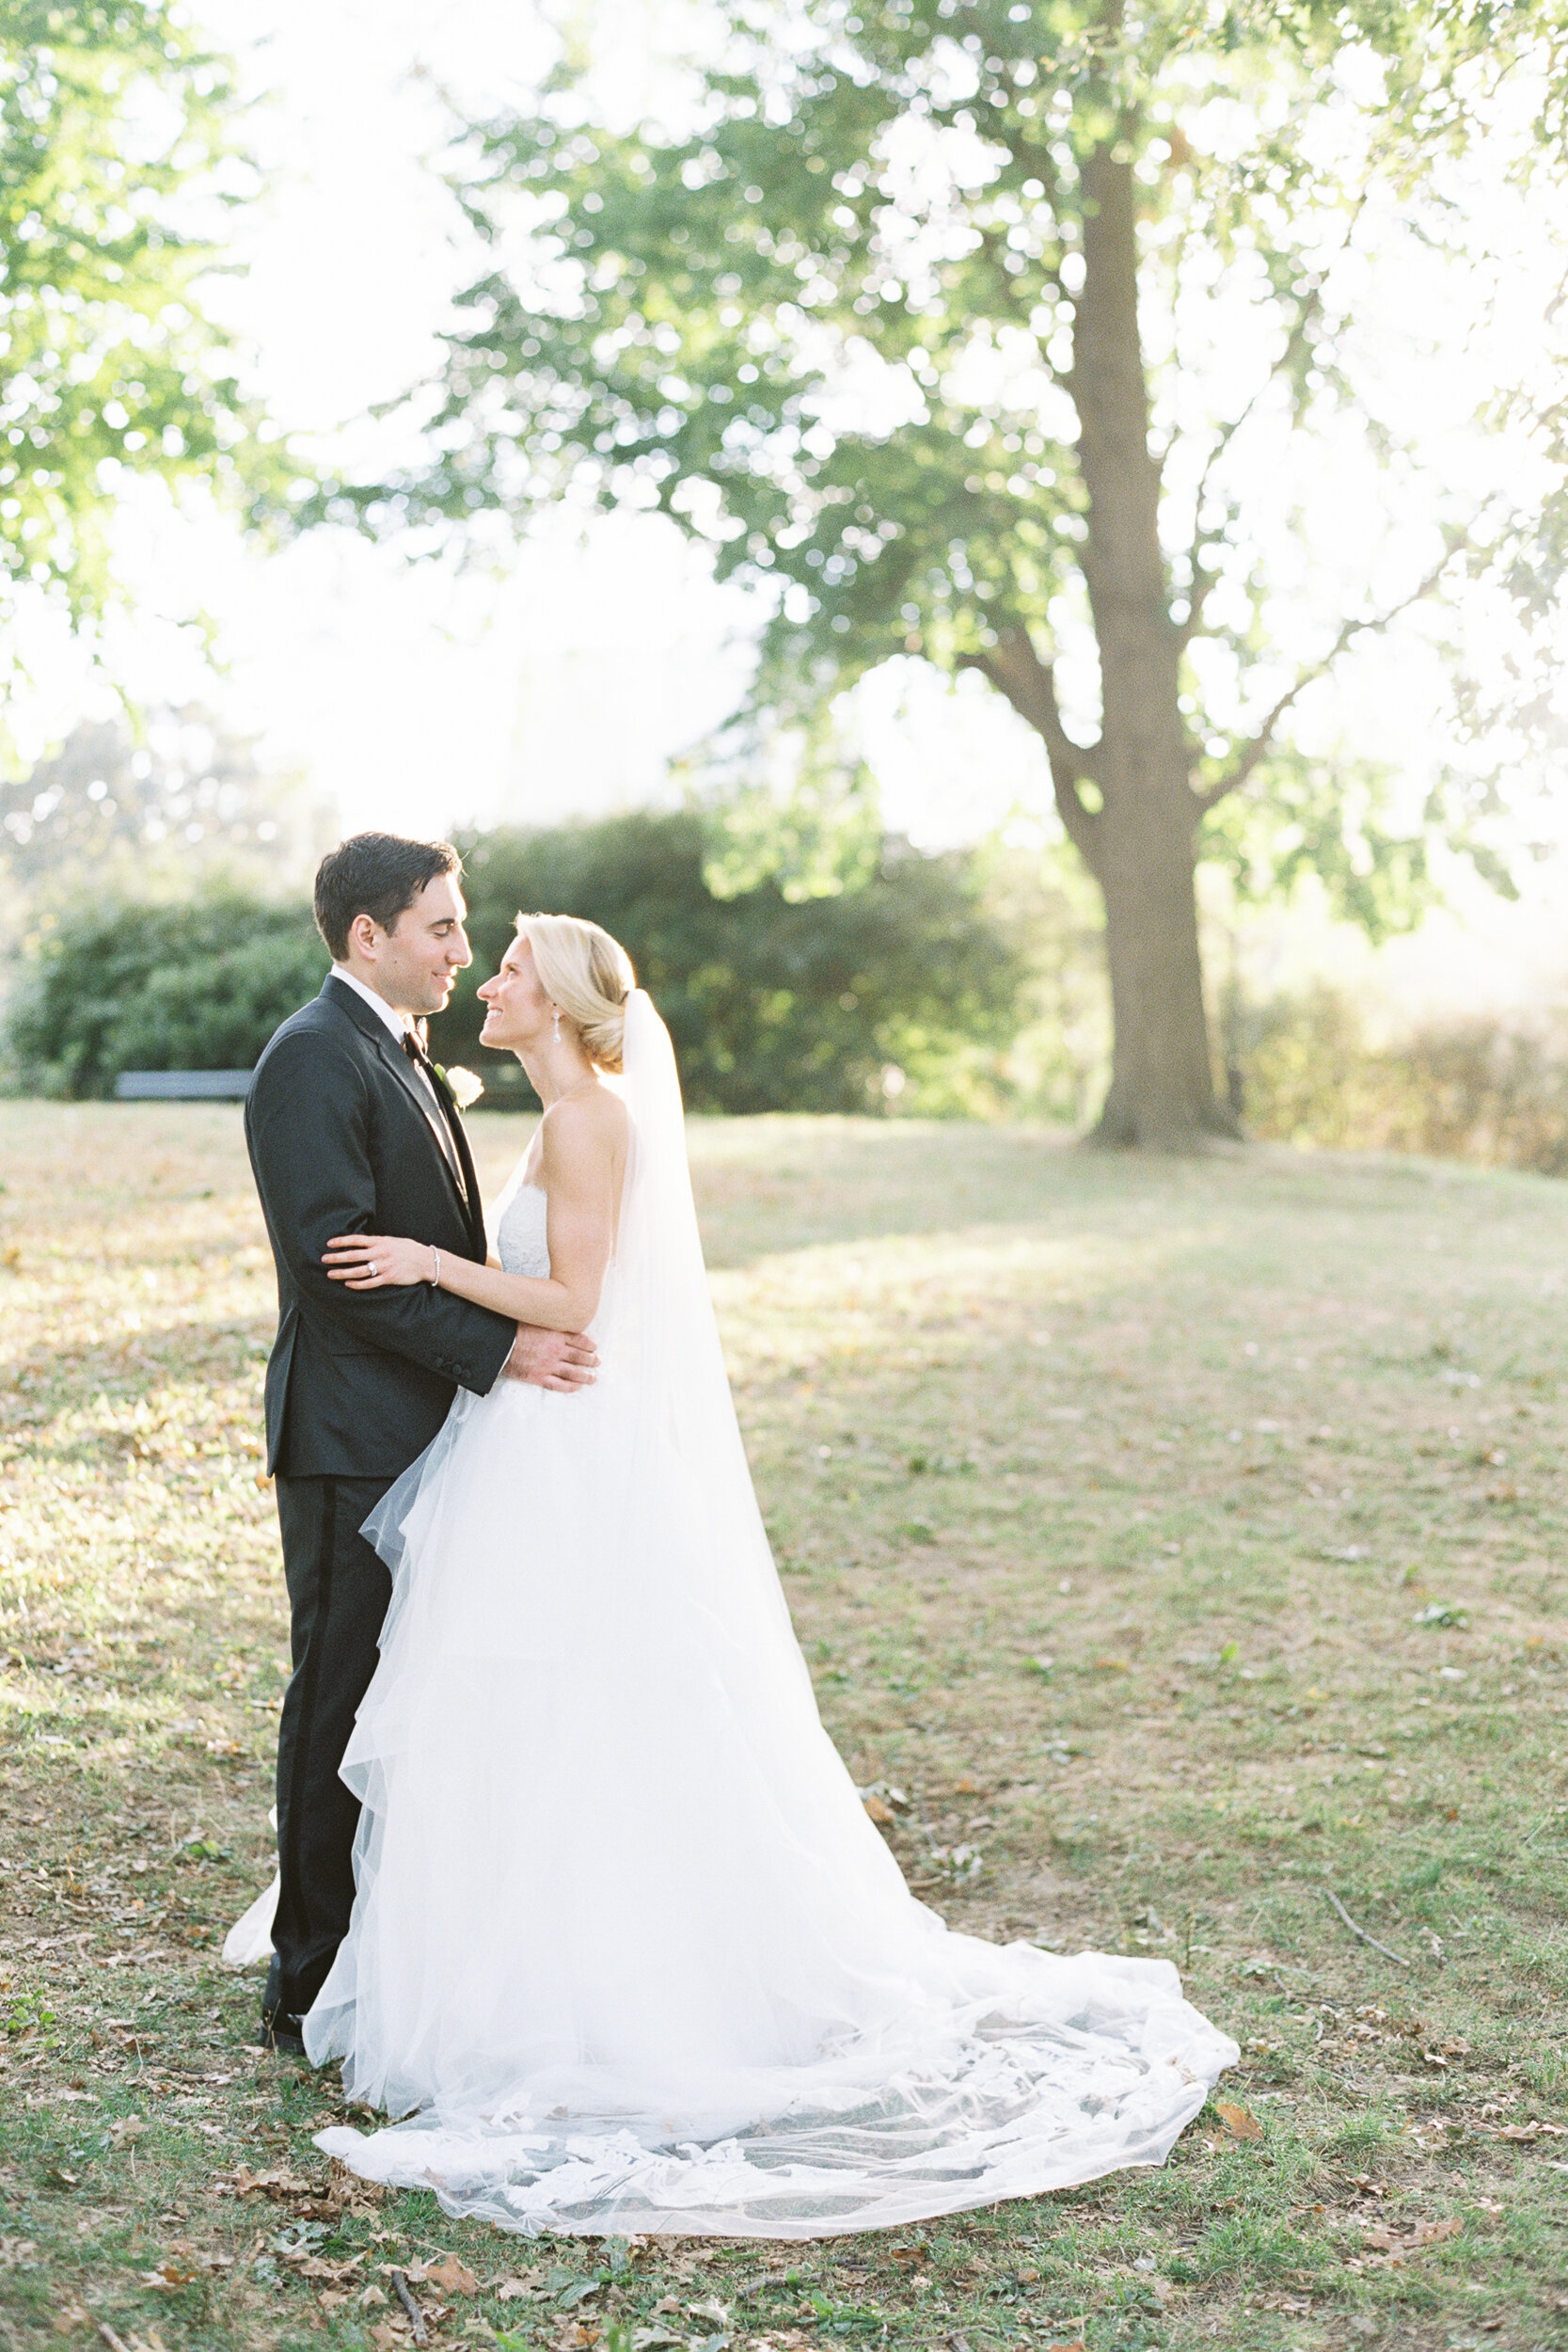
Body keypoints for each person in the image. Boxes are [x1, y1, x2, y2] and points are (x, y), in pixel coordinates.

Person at [291, 907, 1238, 2239]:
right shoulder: (564, 1111)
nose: (484, 980)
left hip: (560, 1451)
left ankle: (587, 1980)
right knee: (521, 1710)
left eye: (505, 965)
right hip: (530, 1444)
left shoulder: (588, 1121)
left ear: (557, 1001)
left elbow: (571, 1301)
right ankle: (502, 1962)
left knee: (570, 1703)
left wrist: (426, 1260)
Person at [243, 835, 597, 2058]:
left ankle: (383, 1953)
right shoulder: (311, 1058)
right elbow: (340, 1268)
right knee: (336, 1702)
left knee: (408, 1699)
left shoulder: (401, 1054)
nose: (459, 950)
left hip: (422, 1439)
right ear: (366, 936)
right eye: (442, 929)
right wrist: (501, 1353)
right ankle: (307, 1982)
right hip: (348, 1441)